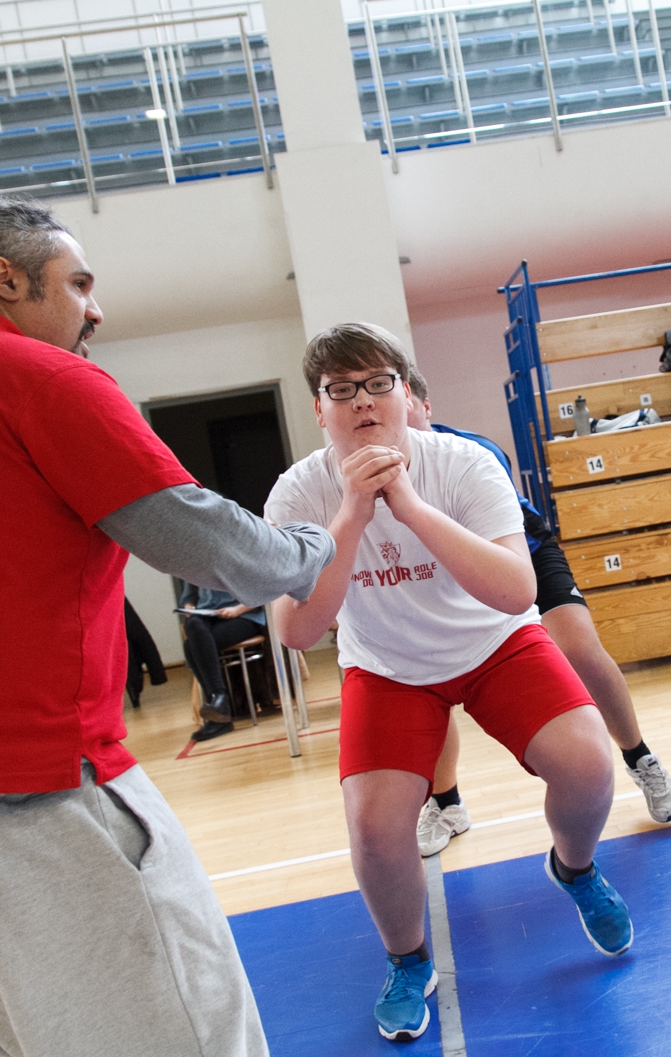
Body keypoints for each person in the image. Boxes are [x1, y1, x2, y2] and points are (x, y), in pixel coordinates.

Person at [0, 195, 335, 1057]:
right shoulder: (36, 377)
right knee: (184, 1031)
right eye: (78, 283)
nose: (96, 308)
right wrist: (315, 542)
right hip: (11, 784)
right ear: (5, 280)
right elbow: (207, 547)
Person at [264, 324, 633, 1044]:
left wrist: (408, 505)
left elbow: (515, 587)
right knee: (374, 829)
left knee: (589, 765)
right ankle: (408, 961)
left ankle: (575, 867)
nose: (363, 402)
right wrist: (351, 513)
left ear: (406, 393)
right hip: (388, 666)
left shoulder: (463, 464)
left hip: (494, 642)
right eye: (342, 390)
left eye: (378, 383)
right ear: (320, 409)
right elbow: (298, 630)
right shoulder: (298, 492)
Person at [402, 366, 671, 856]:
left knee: (578, 647)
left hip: (519, 554)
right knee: (429, 671)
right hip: (442, 574)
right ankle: (446, 803)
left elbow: (493, 542)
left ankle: (640, 758)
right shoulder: (374, 473)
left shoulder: (472, 453)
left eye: (407, 412)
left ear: (425, 408)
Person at [180, 583, 267, 742]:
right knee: (192, 624)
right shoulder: (195, 560)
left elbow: (265, 590)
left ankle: (219, 711)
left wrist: (238, 609)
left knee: (191, 647)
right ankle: (219, 702)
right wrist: (189, 606)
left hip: (243, 615)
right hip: (209, 616)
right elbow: (189, 596)